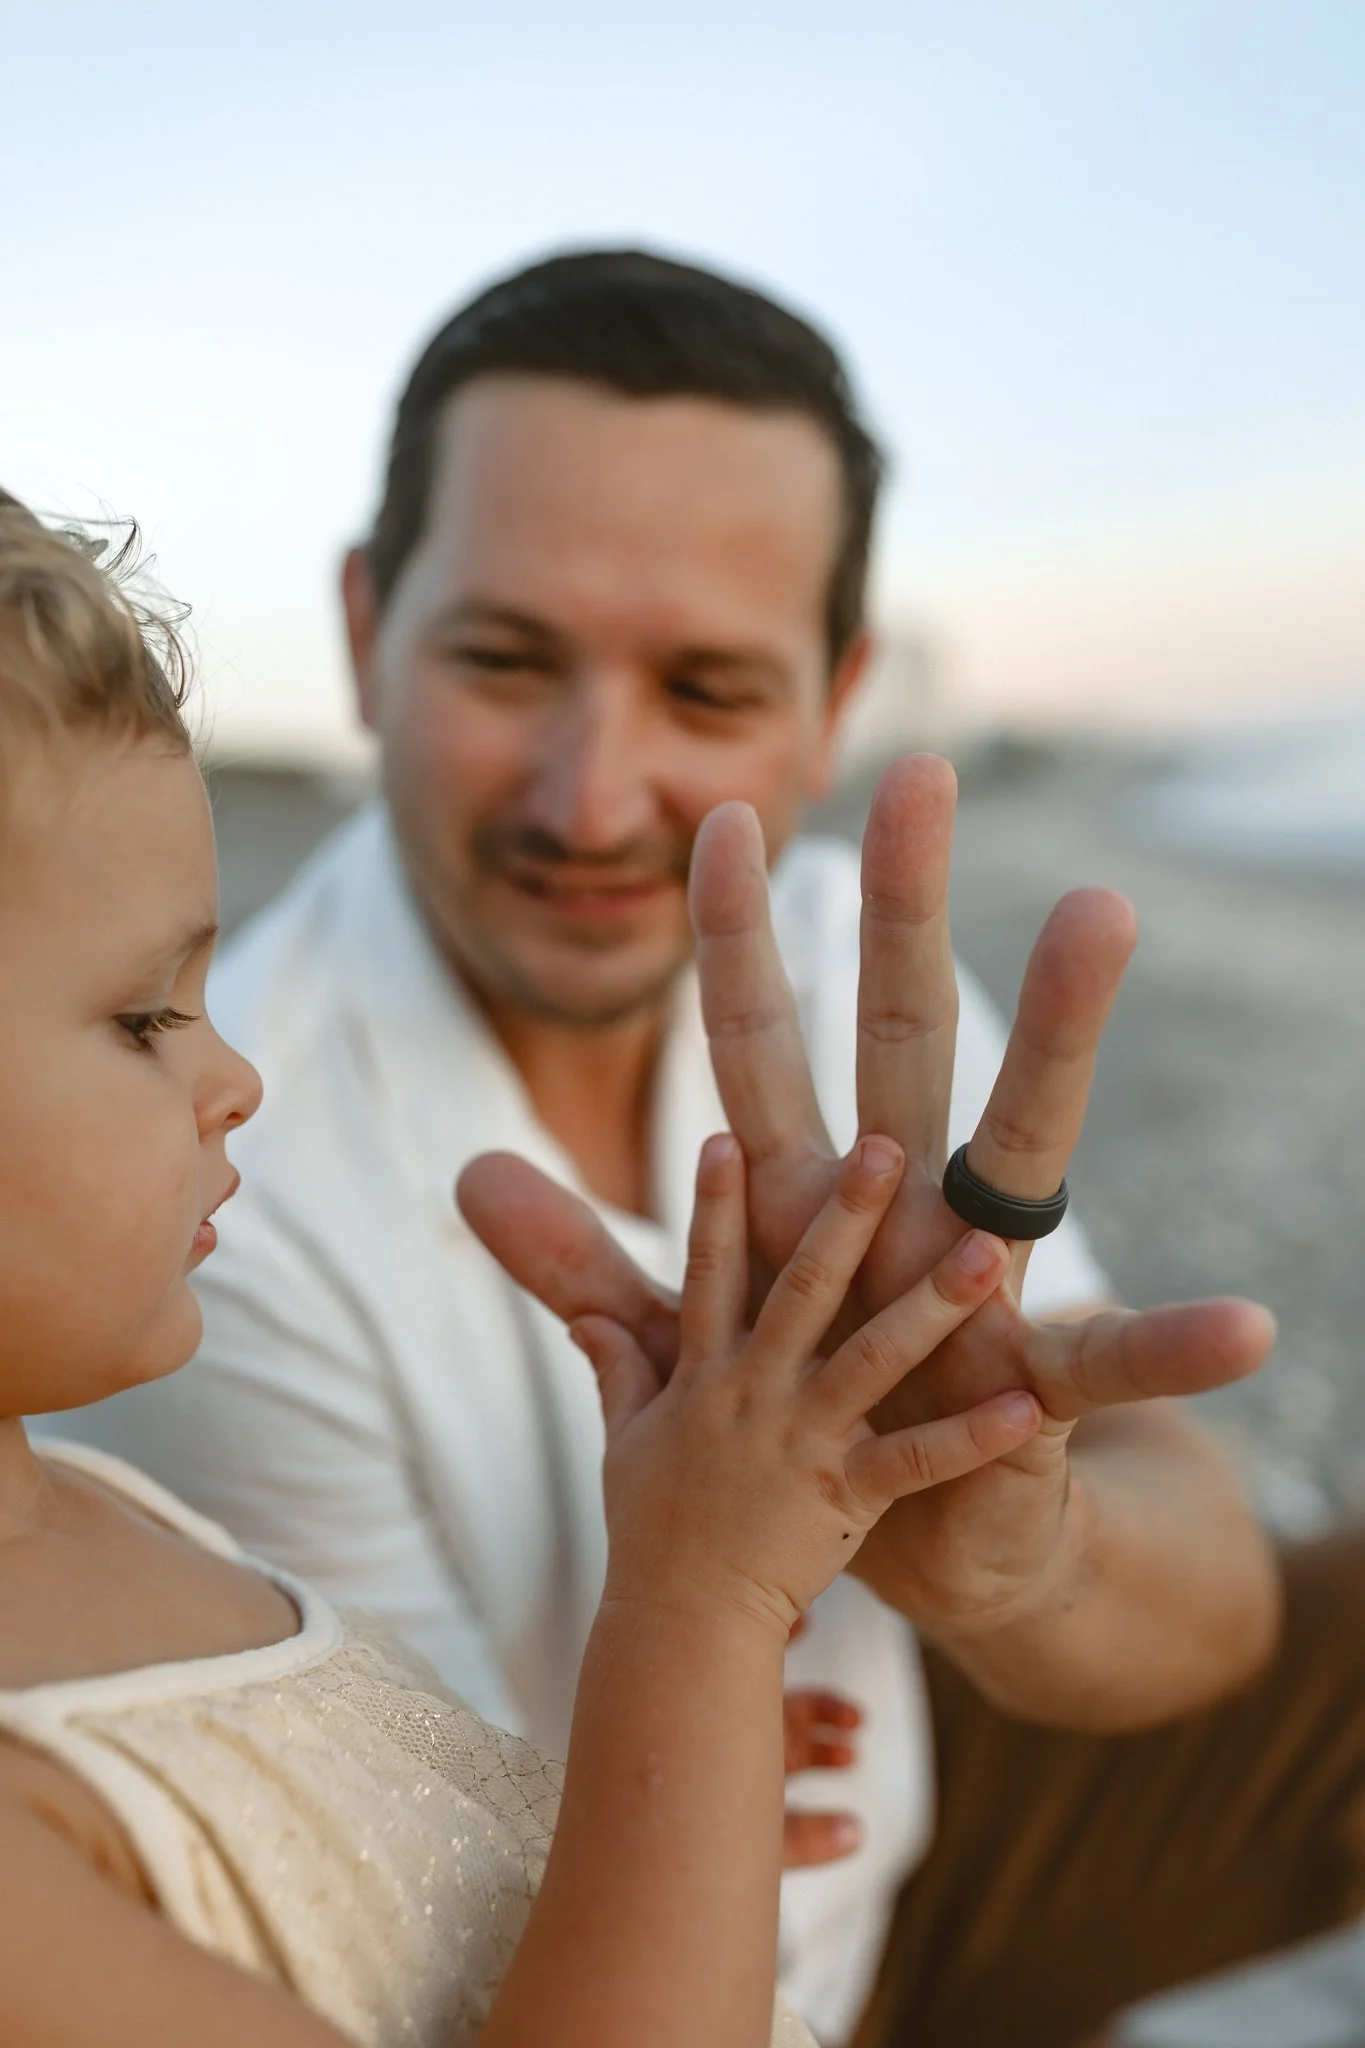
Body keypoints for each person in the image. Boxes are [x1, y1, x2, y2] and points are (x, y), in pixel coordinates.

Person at [57, 252, 1365, 2048]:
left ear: (834, 699)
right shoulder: (195, 1190)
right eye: (508, 659)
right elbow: (449, 1930)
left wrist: (1019, 1565)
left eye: (706, 687)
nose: (593, 801)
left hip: (910, 1822)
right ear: (366, 630)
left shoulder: (837, 953)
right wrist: (724, 1667)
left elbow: (1201, 1615)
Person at [0, 487, 1048, 2046]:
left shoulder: (84, 1504)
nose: (236, 1077)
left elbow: (372, 1888)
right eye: (147, 1018)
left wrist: (663, 1802)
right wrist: (702, 1608)